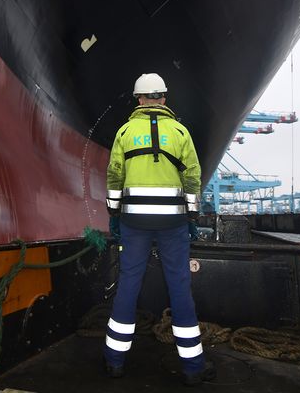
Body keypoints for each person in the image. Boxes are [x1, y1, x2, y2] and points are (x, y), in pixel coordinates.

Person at [103, 73, 216, 386]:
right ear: (163, 98)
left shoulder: (124, 132)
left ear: (139, 100)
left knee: (128, 284)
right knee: (179, 286)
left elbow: (114, 176)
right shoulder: (179, 131)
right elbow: (192, 177)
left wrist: (114, 214)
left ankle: (114, 362)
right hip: (172, 224)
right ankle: (193, 368)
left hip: (134, 223)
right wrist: (191, 217)